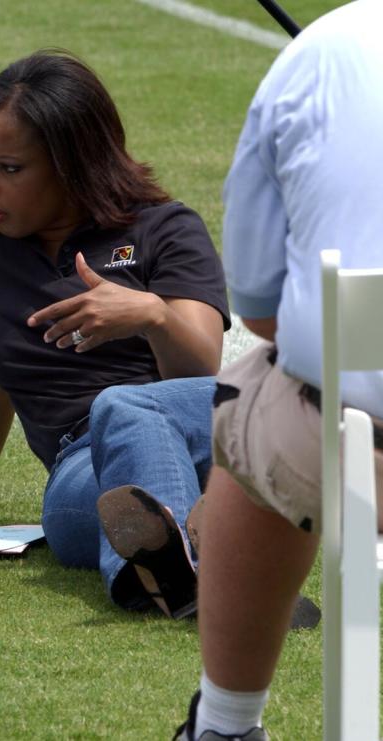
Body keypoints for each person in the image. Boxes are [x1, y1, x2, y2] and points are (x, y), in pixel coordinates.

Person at [0, 50, 230, 617]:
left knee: (124, 408)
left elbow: (202, 373)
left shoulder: (165, 229)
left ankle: (178, 577)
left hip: (210, 437)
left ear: (73, 162)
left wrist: (152, 314)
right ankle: (203, 562)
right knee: (77, 513)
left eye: (10, 168)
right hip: (83, 468)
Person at [175, 2, 383, 738]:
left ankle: (226, 724)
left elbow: (261, 313)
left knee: (251, 385)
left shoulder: (324, 48)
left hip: (357, 445)